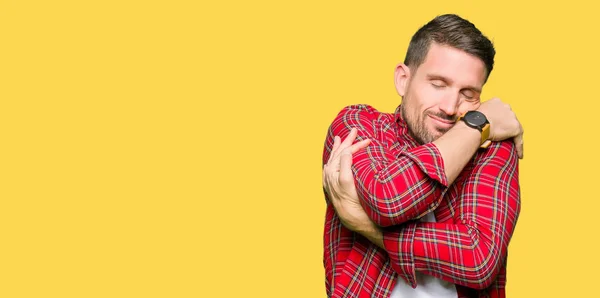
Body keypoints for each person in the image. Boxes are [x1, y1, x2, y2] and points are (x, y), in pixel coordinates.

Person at [321, 14, 523, 298]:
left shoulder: (492, 150)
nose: (451, 108)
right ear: (403, 80)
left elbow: (479, 260)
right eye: (438, 84)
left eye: (468, 94)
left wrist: (371, 229)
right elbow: (387, 199)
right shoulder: (360, 124)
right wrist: (477, 123)